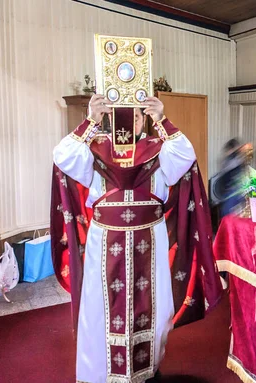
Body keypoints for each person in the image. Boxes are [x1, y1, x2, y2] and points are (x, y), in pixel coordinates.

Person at [51, 94, 222, 383]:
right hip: (104, 243)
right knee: (100, 310)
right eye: (123, 114)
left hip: (149, 243)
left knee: (153, 307)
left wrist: (162, 119)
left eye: (138, 116)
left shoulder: (159, 148)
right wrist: (91, 121)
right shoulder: (93, 149)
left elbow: (185, 156)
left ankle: (145, 370)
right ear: (110, 117)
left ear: (144, 119)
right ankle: (101, 375)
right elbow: (63, 156)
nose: (131, 121)